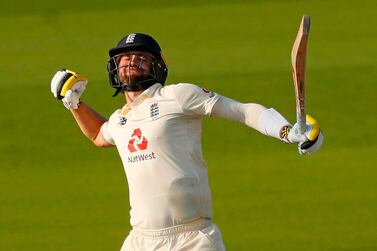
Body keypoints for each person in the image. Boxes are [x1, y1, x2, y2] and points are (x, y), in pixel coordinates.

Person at [50, 33, 323, 251]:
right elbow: (99, 135)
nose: (131, 61)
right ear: (114, 69)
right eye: (124, 58)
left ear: (158, 66)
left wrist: (285, 131)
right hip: (140, 241)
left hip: (192, 239)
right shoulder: (120, 121)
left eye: (140, 57)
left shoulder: (178, 96)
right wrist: (73, 103)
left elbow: (242, 111)